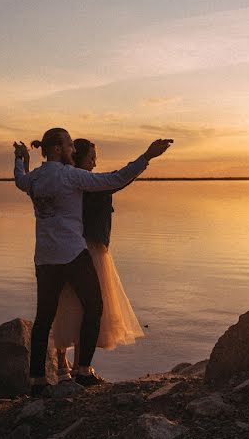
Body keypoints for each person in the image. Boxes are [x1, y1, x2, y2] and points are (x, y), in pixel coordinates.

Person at [13, 129, 172, 396]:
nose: (73, 150)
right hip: (74, 255)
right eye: (68, 145)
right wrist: (147, 156)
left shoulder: (36, 178)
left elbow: (19, 180)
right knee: (94, 306)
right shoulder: (70, 176)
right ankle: (83, 371)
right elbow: (115, 179)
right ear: (55, 149)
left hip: (45, 258)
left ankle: (38, 380)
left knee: (44, 318)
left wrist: (19, 159)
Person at [48, 139, 144, 377]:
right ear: (78, 157)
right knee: (87, 307)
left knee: (68, 305)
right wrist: (148, 157)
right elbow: (120, 178)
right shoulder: (87, 183)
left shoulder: (66, 182)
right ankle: (79, 366)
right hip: (89, 250)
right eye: (91, 157)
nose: (95, 161)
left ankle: (64, 365)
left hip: (67, 249)